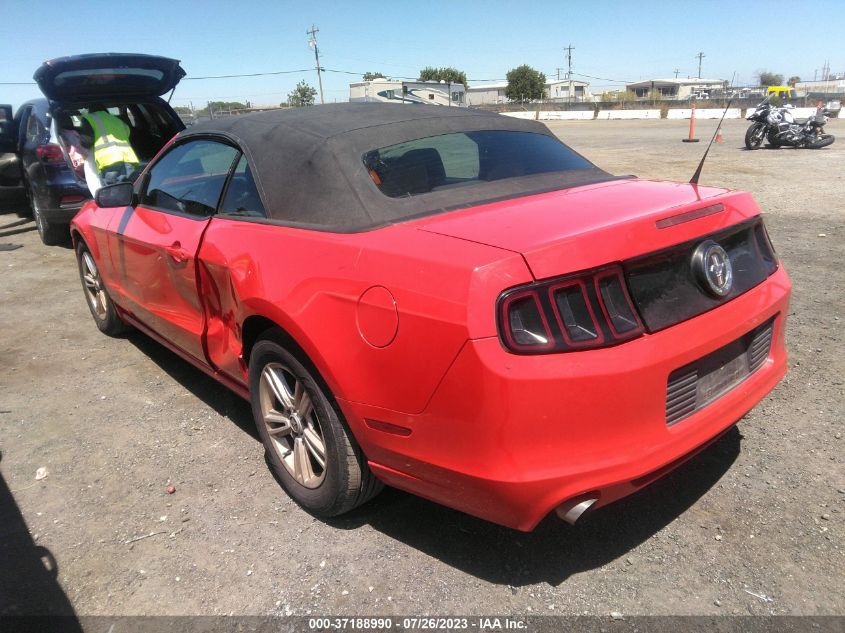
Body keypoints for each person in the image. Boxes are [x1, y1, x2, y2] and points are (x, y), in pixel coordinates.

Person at [78, 108, 139, 196]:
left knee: (113, 197)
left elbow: (87, 141)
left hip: (109, 163)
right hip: (129, 160)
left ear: (91, 111)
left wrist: (79, 140)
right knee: (130, 193)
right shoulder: (118, 120)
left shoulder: (89, 118)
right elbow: (127, 133)